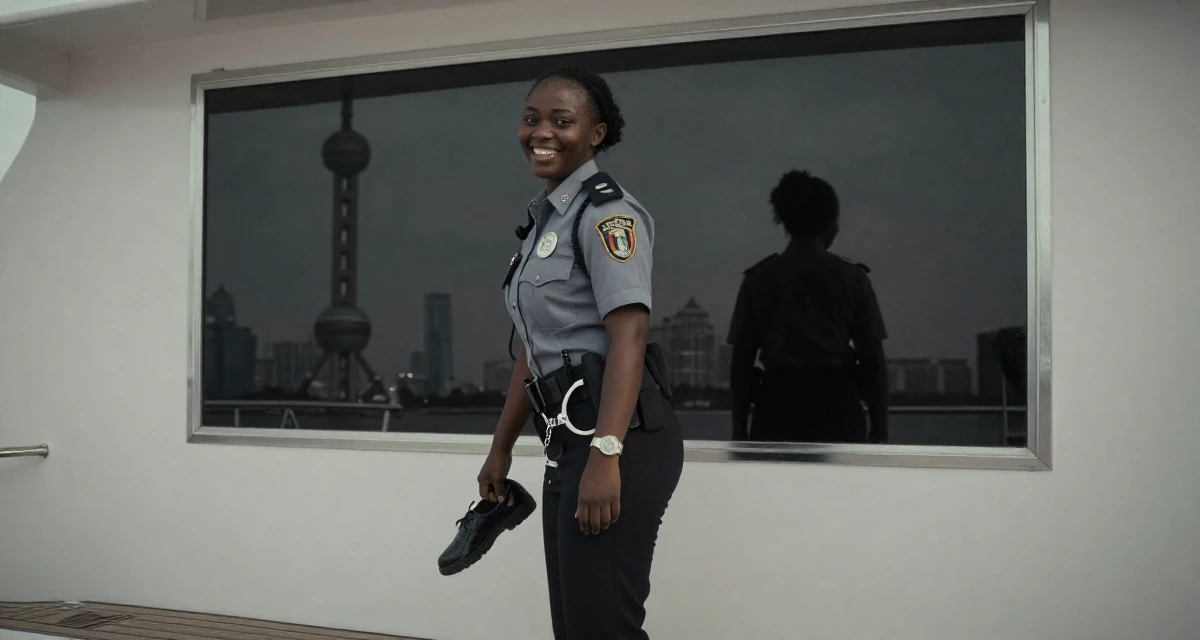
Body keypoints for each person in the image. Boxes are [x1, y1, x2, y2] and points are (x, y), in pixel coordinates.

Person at [477, 65, 684, 639]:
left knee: (604, 629)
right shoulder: (547, 223)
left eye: (562, 121)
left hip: (619, 443)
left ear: (595, 134)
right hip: (569, 443)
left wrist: (606, 455)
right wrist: (500, 450)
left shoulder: (606, 215)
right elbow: (535, 350)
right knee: (575, 626)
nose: (542, 132)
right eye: (532, 119)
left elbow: (630, 337)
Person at [727, 170, 889, 443]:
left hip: (776, 410)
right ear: (828, 223)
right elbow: (874, 363)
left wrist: (739, 432)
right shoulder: (853, 279)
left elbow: (741, 366)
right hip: (838, 409)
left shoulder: (759, 280)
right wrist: (881, 429)